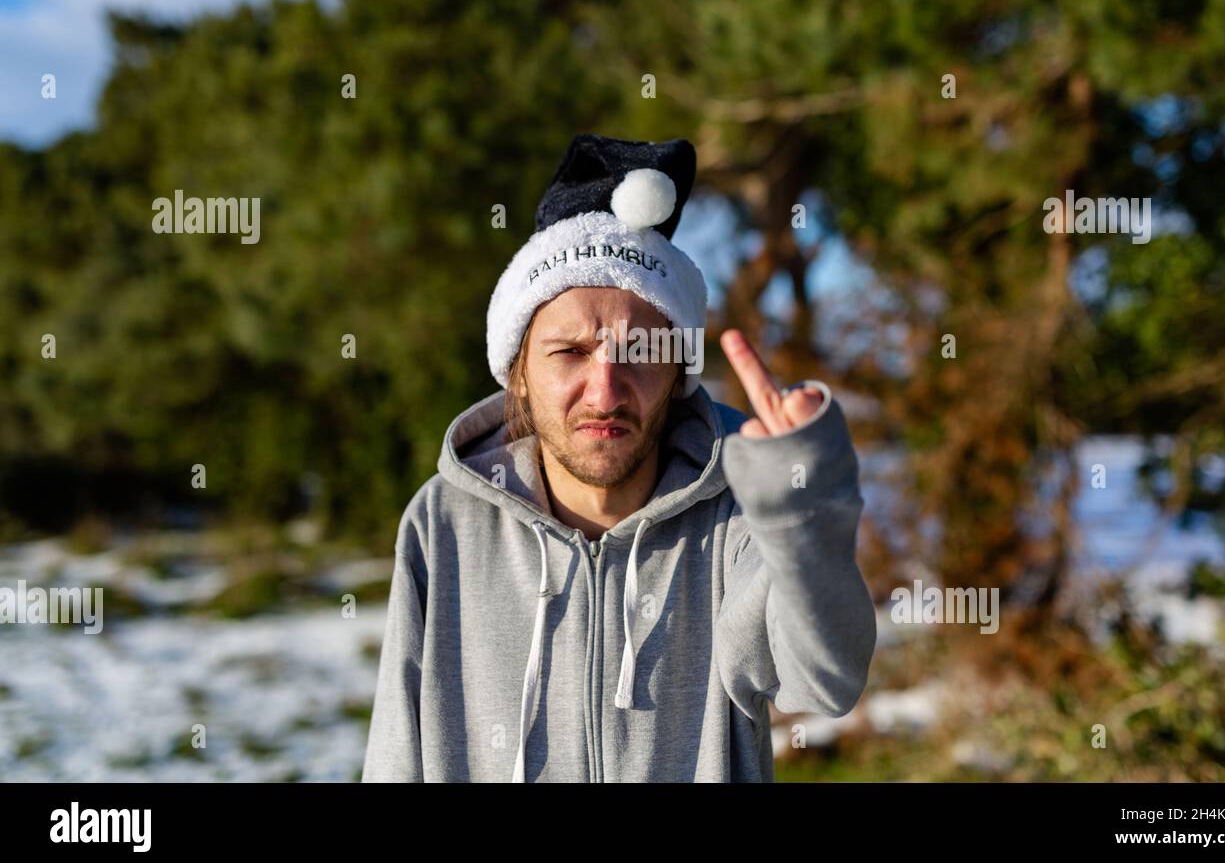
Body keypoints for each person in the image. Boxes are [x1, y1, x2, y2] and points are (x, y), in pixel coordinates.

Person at [361, 133, 876, 782]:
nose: (605, 390)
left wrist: (803, 501)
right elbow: (395, 757)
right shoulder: (445, 523)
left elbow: (824, 682)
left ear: (679, 373)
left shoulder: (735, 519)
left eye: (639, 353)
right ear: (517, 373)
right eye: (570, 352)